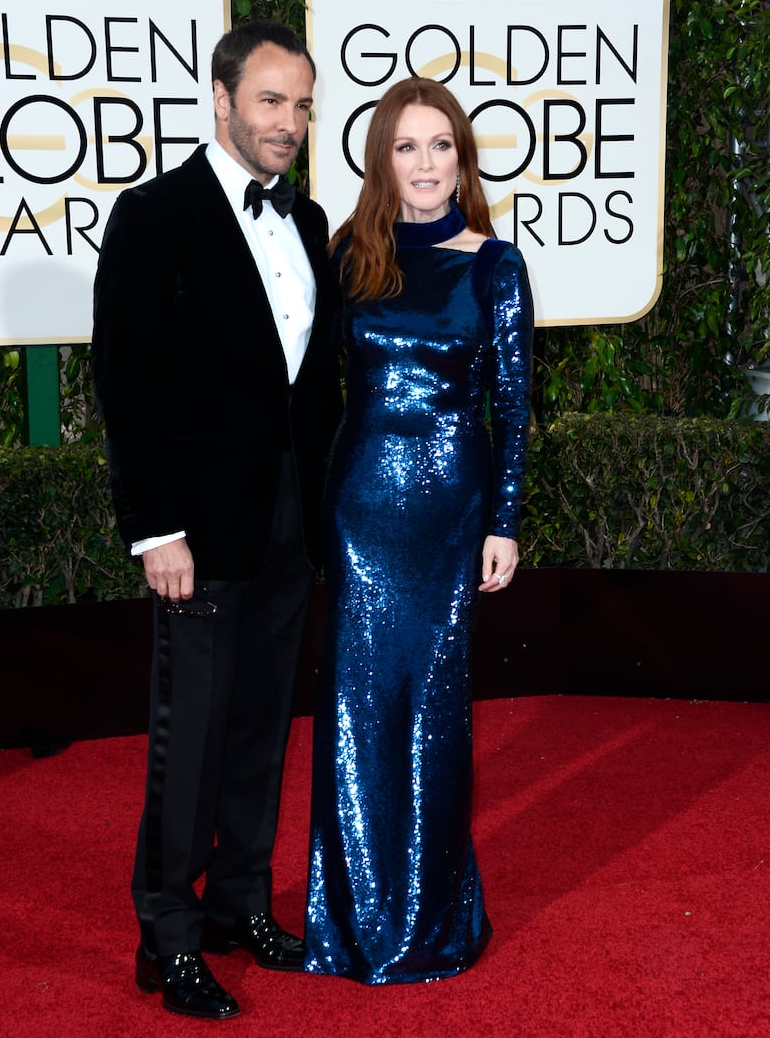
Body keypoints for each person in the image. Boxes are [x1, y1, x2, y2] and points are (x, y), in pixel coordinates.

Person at [92, 20, 342, 1020]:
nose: (287, 122)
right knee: (186, 735)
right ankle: (169, 934)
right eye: (270, 100)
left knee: (258, 725)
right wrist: (155, 530)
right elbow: (126, 382)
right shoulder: (153, 215)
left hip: (289, 519)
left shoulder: (310, 217)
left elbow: (310, 383)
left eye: (300, 103)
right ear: (222, 98)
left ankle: (240, 906)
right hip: (195, 529)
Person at [304, 76, 534, 983]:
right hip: (360, 504)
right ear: (383, 160)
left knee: (434, 708)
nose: (426, 163)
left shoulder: (496, 264)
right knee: (358, 706)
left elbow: (514, 407)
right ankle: (355, 915)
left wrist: (505, 520)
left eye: (441, 145)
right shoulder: (347, 256)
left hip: (452, 511)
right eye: (408, 146)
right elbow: (307, 386)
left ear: (463, 159)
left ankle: (429, 919)